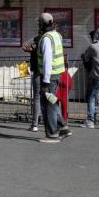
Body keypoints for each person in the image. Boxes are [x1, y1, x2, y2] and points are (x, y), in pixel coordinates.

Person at [35, 12, 72, 143]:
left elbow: (47, 60)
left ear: (41, 24)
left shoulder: (46, 38)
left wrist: (45, 81)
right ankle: (63, 126)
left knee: (48, 105)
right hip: (57, 74)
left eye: (39, 23)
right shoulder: (57, 35)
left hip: (49, 76)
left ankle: (52, 134)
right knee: (52, 101)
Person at [22, 31, 44, 132]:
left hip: (37, 72)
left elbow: (30, 48)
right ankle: (56, 121)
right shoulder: (49, 41)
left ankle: (35, 124)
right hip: (49, 72)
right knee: (50, 97)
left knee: (37, 98)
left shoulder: (37, 42)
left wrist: (27, 49)